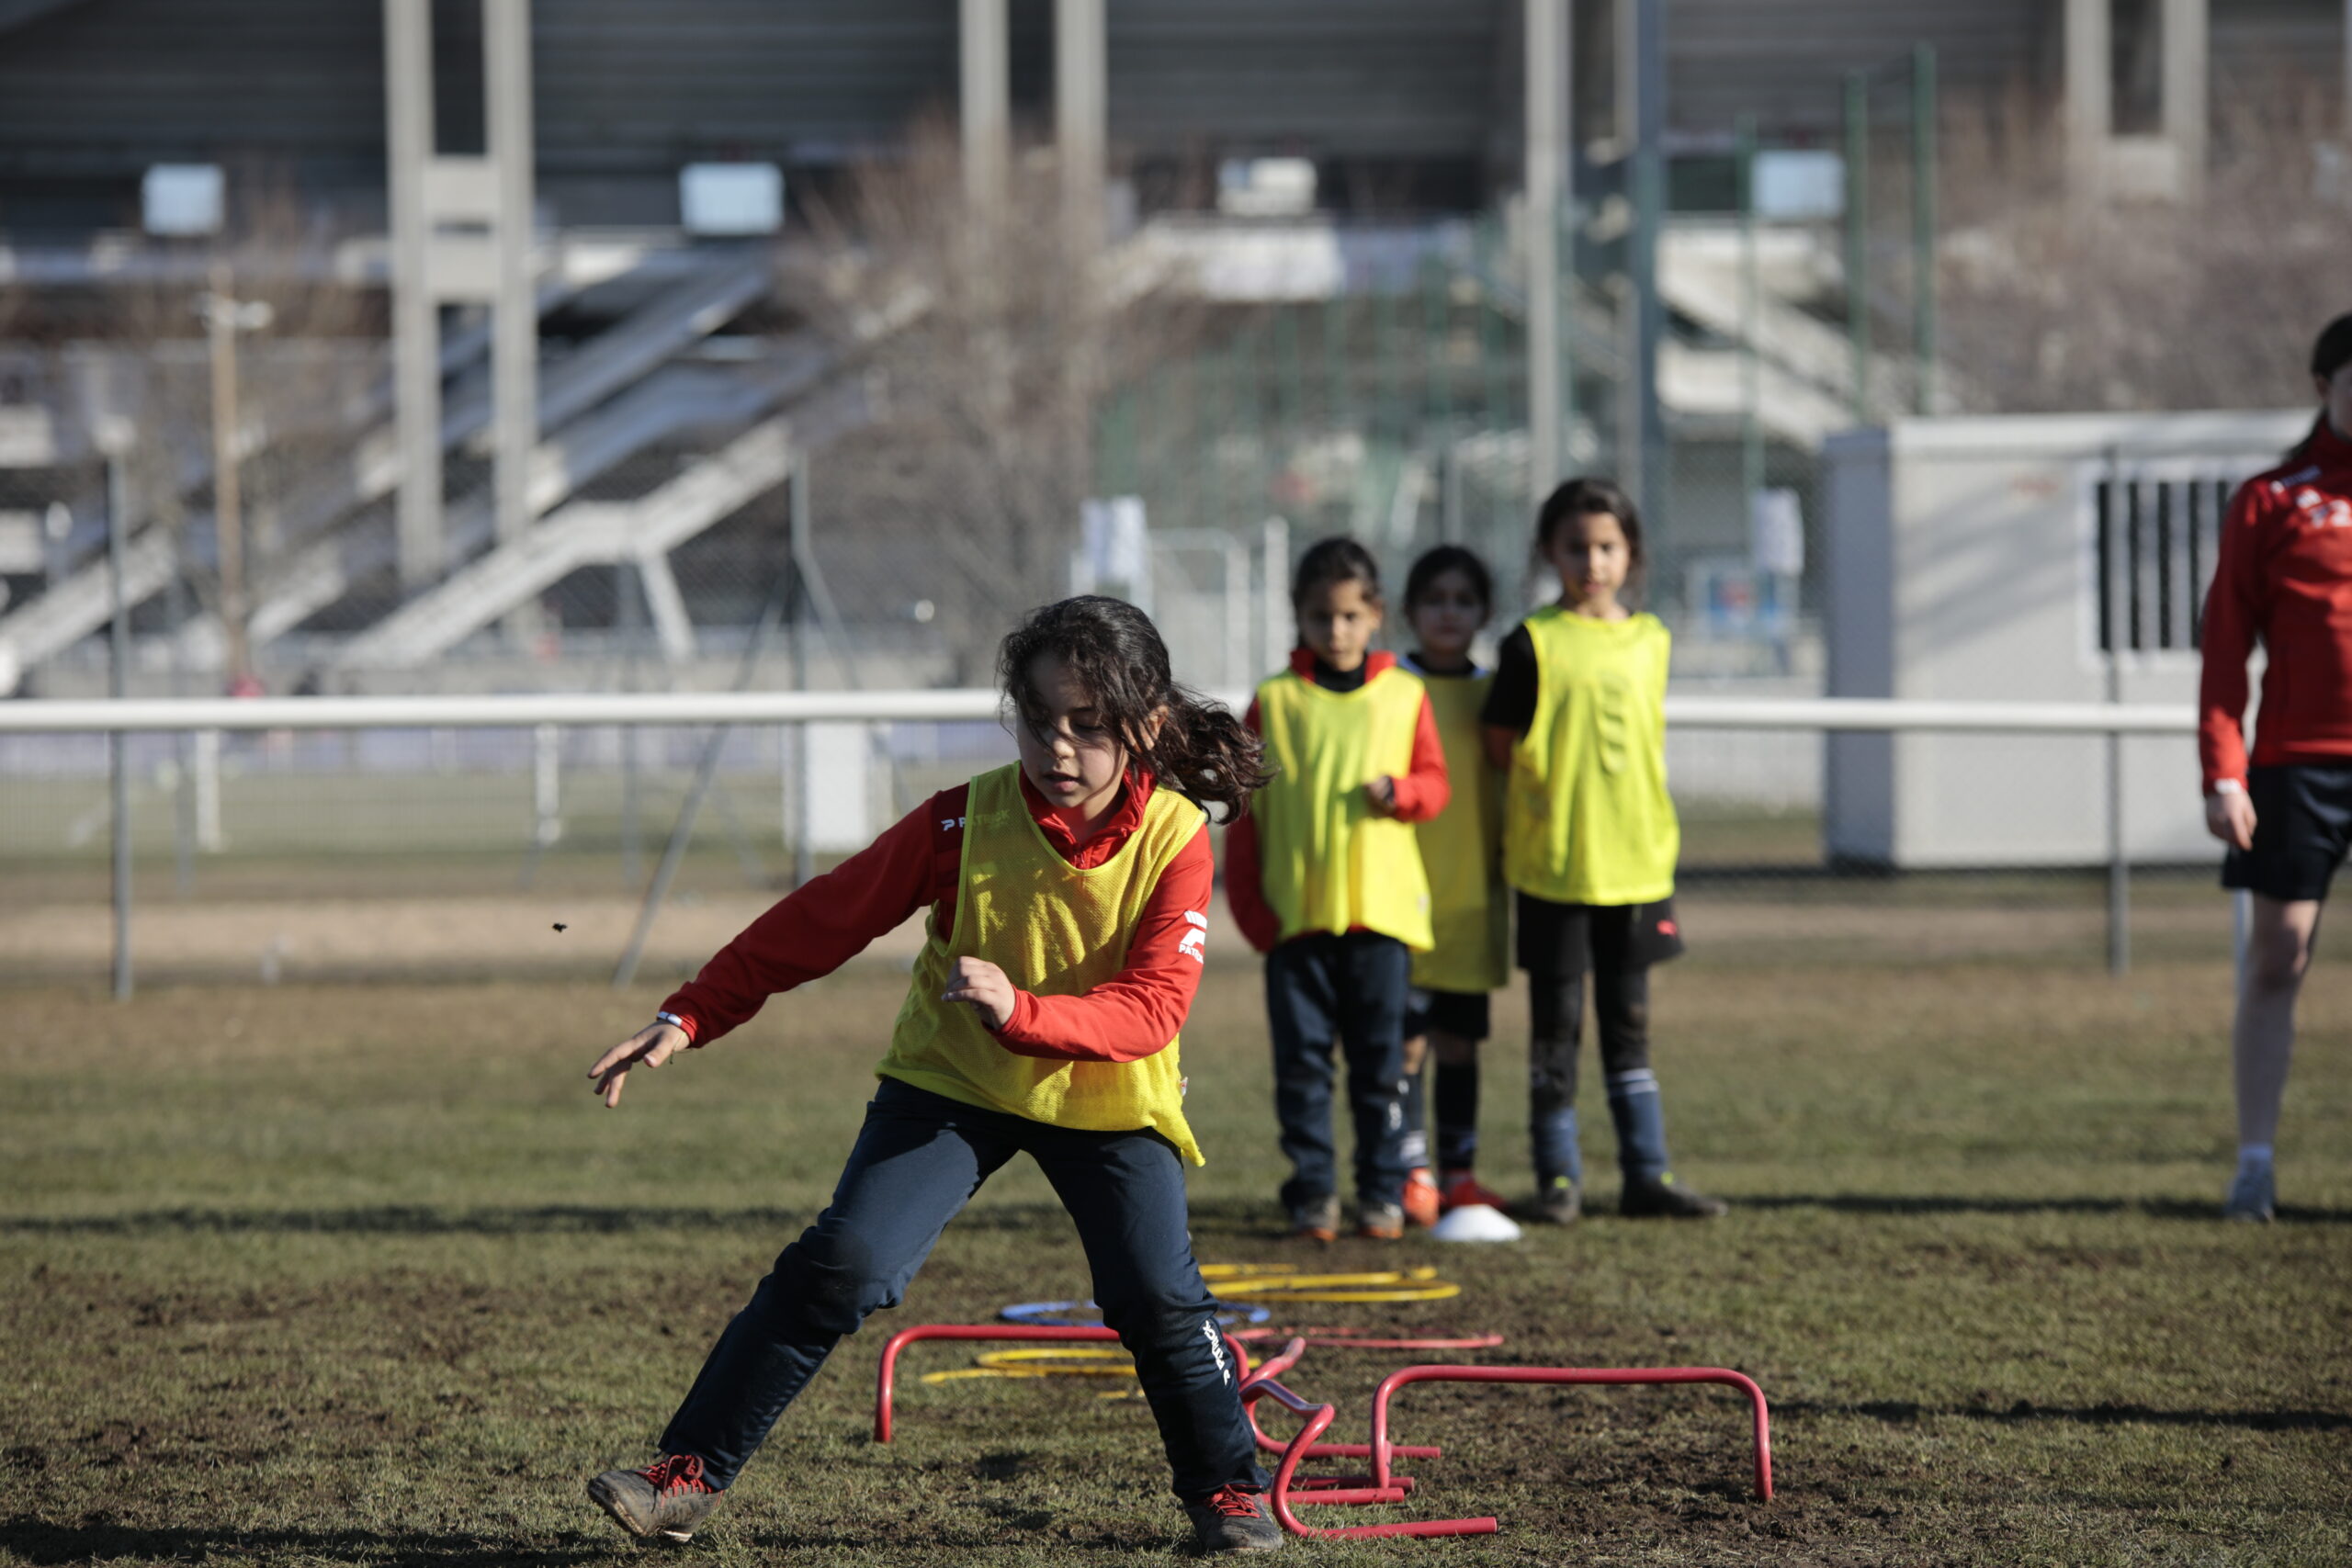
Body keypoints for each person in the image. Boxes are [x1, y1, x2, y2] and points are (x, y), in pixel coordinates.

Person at [581, 596, 1286, 1553]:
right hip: (954, 1082)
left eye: (1087, 724)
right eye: (1040, 720)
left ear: (1146, 724)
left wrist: (1023, 1010)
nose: (1059, 747)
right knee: (846, 1262)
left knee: (1156, 1296)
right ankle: (685, 1475)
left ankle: (1229, 1493)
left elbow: (1154, 1010)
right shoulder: (963, 821)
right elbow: (821, 918)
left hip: (1109, 1096)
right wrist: (691, 1014)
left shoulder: (1173, 838)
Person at [1481, 478, 1725, 1224]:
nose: (1593, 561)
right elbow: (1498, 746)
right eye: (1577, 546)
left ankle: (1647, 1174)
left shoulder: (1652, 639)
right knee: (1557, 1027)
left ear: (1632, 554)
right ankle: (1559, 1180)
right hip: (1558, 867)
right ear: (1550, 552)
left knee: (1630, 1025)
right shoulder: (1531, 642)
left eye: (1608, 546)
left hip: (1639, 865)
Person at [1227, 536, 1450, 1242]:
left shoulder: (1405, 695)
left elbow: (1436, 784)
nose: (1337, 630)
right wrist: (1258, 917)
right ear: (1300, 616)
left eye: (1351, 616)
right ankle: (1313, 1195)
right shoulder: (1274, 702)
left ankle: (1382, 1193)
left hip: (1381, 923)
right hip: (1298, 927)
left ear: (1376, 615)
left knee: (1382, 1069)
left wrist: (1405, 793)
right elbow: (1245, 817)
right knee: (1301, 1071)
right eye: (1322, 616)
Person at [2198, 311, 2352, 1224]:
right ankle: (2254, 1163)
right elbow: (2224, 653)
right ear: (2325, 385)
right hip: (2299, 767)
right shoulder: (2270, 500)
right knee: (2277, 958)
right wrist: (2223, 770)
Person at [1396, 545, 1515, 1218]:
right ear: (1409, 611)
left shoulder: (1494, 694)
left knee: (1460, 1042)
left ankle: (1460, 1172)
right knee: (1406, 1041)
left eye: (1463, 600)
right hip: (1404, 895)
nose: (1448, 611)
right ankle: (1412, 1169)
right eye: (1435, 599)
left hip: (1473, 896)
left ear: (1484, 613)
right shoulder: (1392, 687)